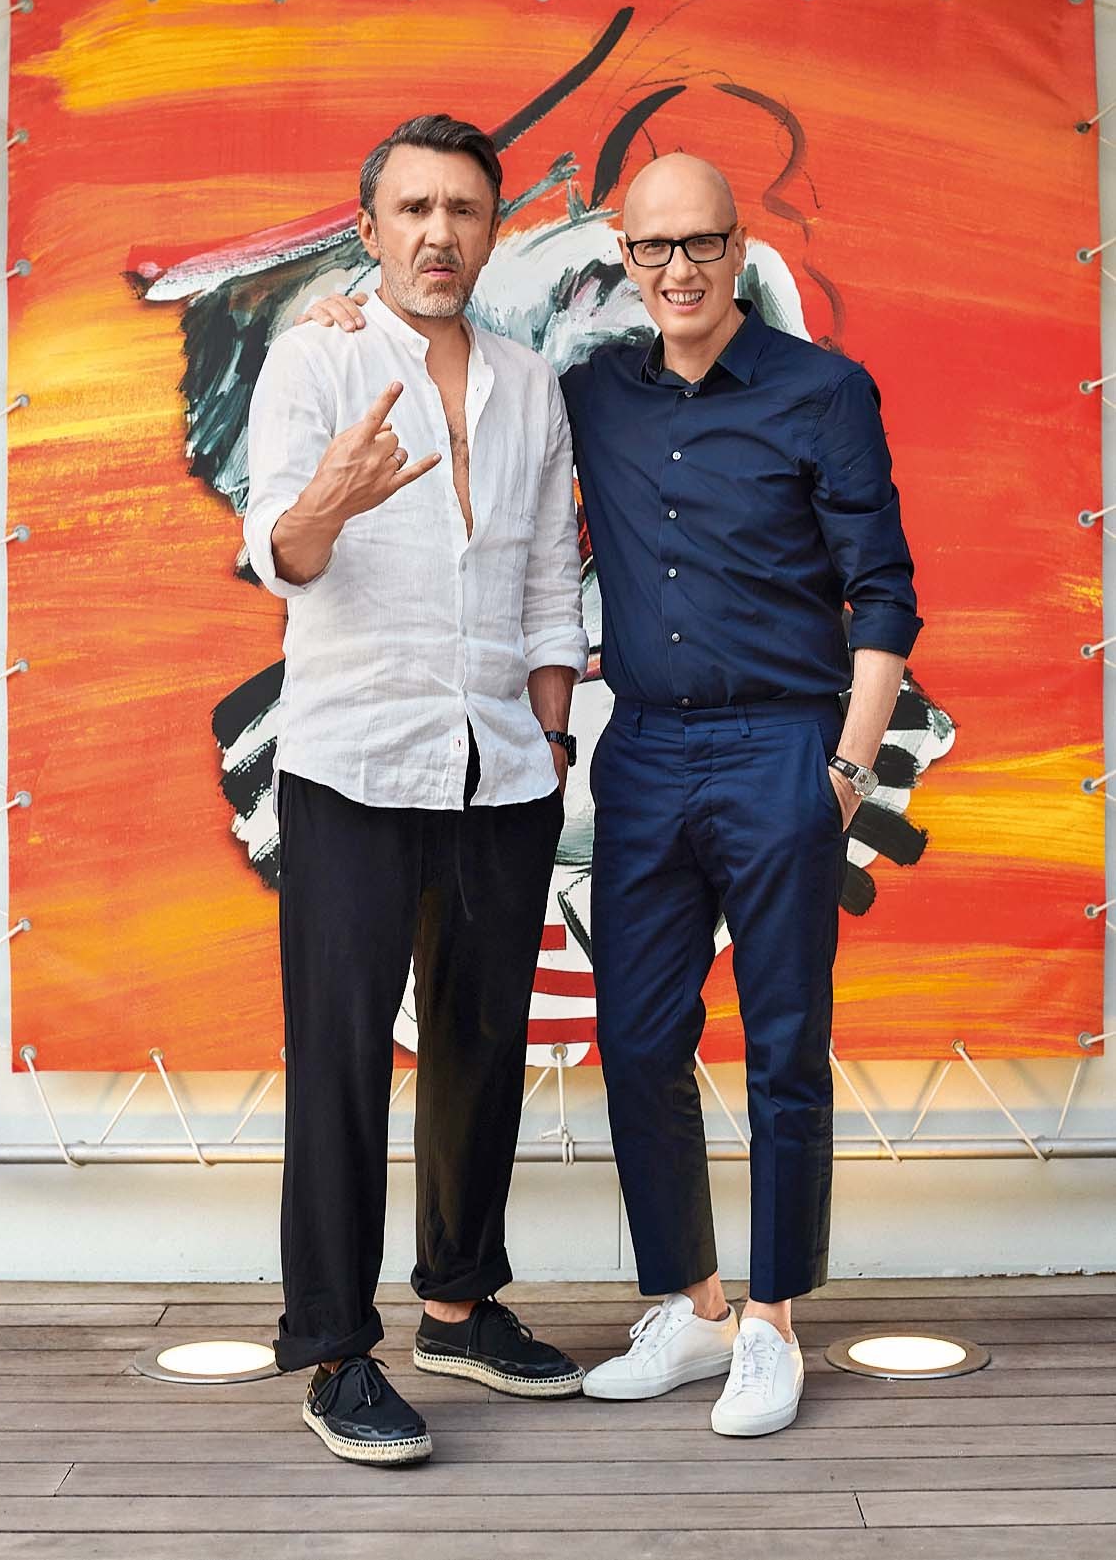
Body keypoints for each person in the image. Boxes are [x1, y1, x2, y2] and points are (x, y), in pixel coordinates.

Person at [301, 148, 922, 1440]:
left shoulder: (825, 391)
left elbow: (884, 595)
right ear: (624, 258)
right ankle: (694, 1307)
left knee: (785, 1046)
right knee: (639, 1042)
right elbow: (457, 366)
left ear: (737, 247)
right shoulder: (587, 390)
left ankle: (772, 1323)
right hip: (640, 750)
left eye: (701, 243)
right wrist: (342, 309)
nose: (678, 268)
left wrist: (848, 768)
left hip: (783, 748)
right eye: (653, 246)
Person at [244, 113, 589, 1467]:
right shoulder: (316, 357)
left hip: (501, 762)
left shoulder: (532, 383)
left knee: (480, 1046)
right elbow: (279, 549)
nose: (439, 233)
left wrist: (550, 730)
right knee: (340, 1059)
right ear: (371, 226)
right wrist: (326, 502)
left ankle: (457, 1304)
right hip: (353, 759)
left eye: (464, 209)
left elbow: (550, 572)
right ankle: (336, 1350)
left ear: (493, 229)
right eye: (413, 209)